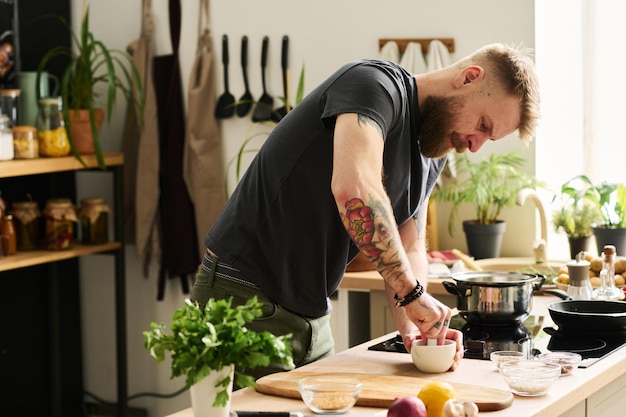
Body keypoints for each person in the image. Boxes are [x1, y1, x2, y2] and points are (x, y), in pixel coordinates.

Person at [191, 43, 540, 379]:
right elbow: (355, 188)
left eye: (488, 139)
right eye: (482, 125)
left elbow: (411, 245)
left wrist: (414, 327)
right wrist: (413, 295)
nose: (475, 145)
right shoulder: (373, 86)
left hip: (310, 316)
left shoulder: (431, 153)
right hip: (242, 296)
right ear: (469, 77)